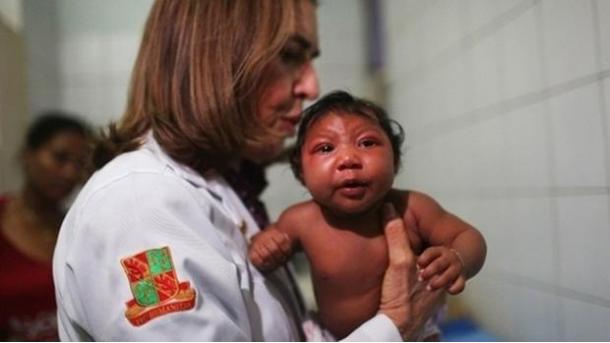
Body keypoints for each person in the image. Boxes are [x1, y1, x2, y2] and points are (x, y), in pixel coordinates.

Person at [53, 1, 445, 341]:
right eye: (291, 54)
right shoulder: (138, 207)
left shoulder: (221, 190)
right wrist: (395, 324)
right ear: (215, 59)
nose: (312, 85)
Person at [248, 91, 487, 340]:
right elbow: (263, 247)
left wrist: (458, 259)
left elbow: (468, 237)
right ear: (301, 172)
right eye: (326, 148)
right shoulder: (301, 220)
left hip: (415, 334)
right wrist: (264, 248)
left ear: (395, 160)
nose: (348, 159)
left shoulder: (412, 208)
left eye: (367, 143)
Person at [0, 113, 90, 341]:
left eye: (80, 164)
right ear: (28, 155)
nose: (70, 173)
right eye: (60, 158)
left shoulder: (79, 228)